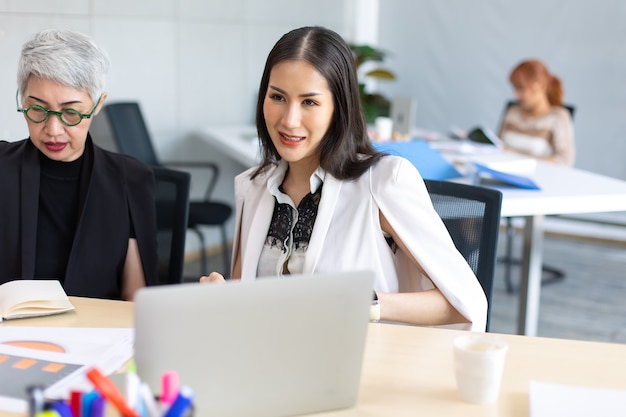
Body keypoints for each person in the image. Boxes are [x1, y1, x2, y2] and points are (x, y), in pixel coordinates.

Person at [202, 26, 487, 331]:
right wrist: (222, 294)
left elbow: (466, 302)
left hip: (362, 367)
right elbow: (244, 295)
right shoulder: (253, 186)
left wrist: (367, 303)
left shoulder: (383, 181)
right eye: (278, 97)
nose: (289, 120)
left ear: (338, 109)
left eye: (309, 102)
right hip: (271, 363)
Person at [0, 29, 159, 300]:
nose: (53, 130)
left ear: (98, 105)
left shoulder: (129, 180)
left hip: (96, 336)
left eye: (71, 112)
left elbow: (135, 301)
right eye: (37, 109)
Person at [498, 59, 575, 166]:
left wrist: (518, 158)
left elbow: (564, 162)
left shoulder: (558, 117)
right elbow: (498, 146)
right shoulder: (512, 111)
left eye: (521, 88)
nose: (516, 96)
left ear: (540, 85)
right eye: (514, 89)